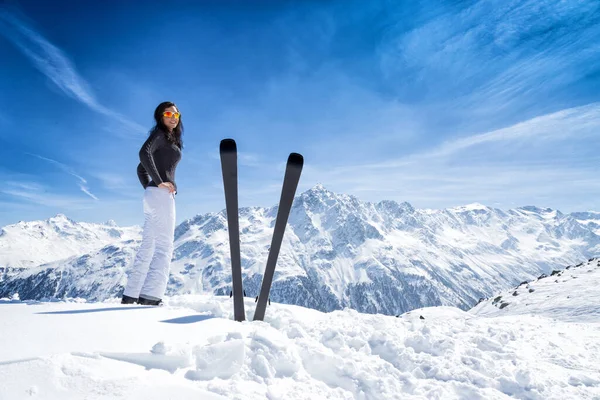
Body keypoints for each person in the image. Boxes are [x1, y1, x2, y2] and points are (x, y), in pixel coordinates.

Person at [121, 101, 183, 306]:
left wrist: (150, 187)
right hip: (160, 196)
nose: (173, 117)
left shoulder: (167, 139)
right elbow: (143, 154)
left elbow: (141, 169)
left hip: (152, 195)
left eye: (176, 114)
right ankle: (151, 297)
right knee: (164, 245)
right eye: (169, 113)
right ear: (160, 116)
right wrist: (160, 183)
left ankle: (131, 294)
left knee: (148, 245)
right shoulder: (160, 135)